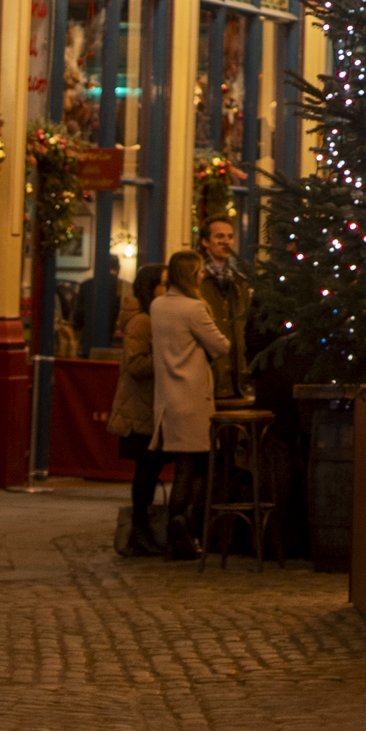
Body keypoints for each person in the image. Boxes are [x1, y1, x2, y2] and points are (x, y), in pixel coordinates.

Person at [150, 248, 229, 560]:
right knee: (192, 469)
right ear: (189, 275)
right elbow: (221, 345)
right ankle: (182, 530)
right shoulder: (194, 308)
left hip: (168, 397)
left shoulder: (157, 306)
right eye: (198, 272)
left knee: (183, 467)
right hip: (192, 397)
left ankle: (177, 532)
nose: (202, 276)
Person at [107, 258, 166, 557]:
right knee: (146, 470)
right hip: (140, 408)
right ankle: (139, 530)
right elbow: (136, 365)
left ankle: (143, 530)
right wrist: (169, 359)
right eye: (165, 285)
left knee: (151, 469)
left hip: (151, 407)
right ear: (152, 289)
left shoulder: (156, 318)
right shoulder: (143, 322)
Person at [199, 210, 250, 402]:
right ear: (205, 242)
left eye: (230, 237)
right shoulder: (197, 281)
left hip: (236, 380)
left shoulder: (239, 282)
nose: (226, 242)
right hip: (208, 378)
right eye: (219, 236)